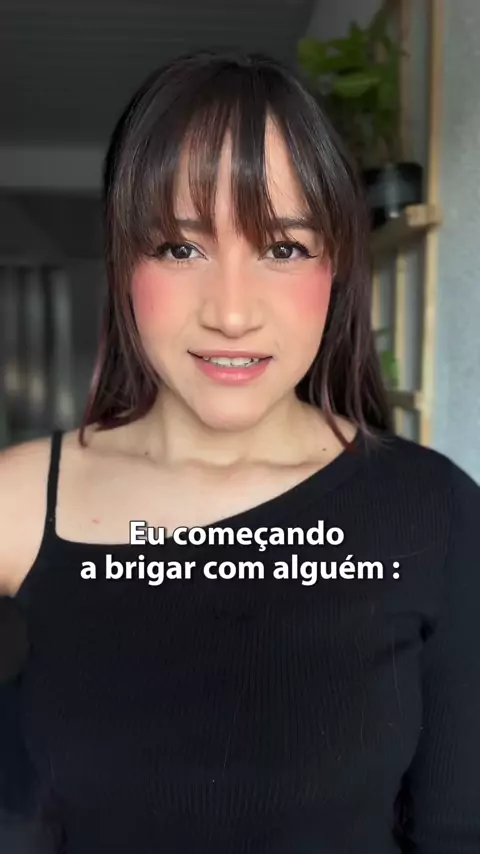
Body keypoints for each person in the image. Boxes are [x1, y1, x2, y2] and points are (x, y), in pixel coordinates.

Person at [0, 48, 479, 854]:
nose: (230, 313)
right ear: (124, 263)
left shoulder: (437, 511)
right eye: (178, 248)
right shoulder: (18, 500)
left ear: (337, 266)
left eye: (283, 248)